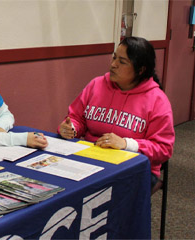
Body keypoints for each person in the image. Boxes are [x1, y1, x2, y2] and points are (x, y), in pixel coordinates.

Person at [57, 36, 174, 191]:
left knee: (105, 198)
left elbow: (164, 148)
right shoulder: (96, 85)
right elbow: (77, 118)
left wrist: (127, 144)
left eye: (122, 62)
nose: (113, 65)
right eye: (114, 58)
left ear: (141, 69)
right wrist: (71, 128)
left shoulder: (157, 100)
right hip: (92, 159)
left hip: (135, 168)